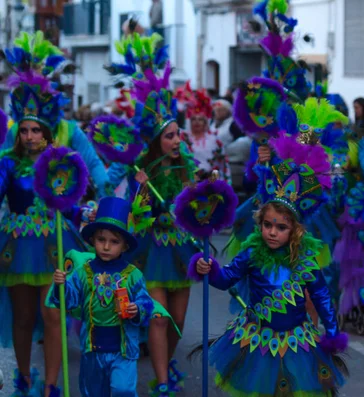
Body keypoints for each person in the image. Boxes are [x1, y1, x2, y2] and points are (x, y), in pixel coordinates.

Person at [189, 142, 349, 396]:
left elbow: (320, 296)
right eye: (267, 225)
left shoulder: (306, 260)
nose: (272, 232)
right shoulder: (252, 254)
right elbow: (225, 279)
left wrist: (331, 331)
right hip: (257, 340)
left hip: (296, 342)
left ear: (294, 230)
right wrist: (208, 268)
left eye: (281, 227)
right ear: (260, 223)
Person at [105, 33, 200, 396]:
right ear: (155, 142)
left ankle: (166, 367)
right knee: (158, 319)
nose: (177, 141)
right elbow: (133, 211)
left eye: (178, 134)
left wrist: (204, 197)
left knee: (177, 321)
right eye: (170, 137)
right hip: (151, 249)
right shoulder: (138, 171)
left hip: (180, 250)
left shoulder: (187, 168)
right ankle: (162, 382)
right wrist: (140, 188)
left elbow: (196, 211)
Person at [0, 32, 91, 397]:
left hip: (54, 242)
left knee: (54, 314)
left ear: (48, 132)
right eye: (24, 130)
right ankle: (24, 377)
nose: (29, 135)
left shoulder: (62, 163)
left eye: (36, 129)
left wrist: (81, 207)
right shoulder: (6, 164)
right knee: (23, 318)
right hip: (18, 245)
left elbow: (73, 200)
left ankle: (52, 385)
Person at [46, 197, 164, 397]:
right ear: (93, 240)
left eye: (114, 241)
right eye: (101, 240)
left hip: (123, 351)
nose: (107, 247)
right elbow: (70, 301)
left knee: (123, 389)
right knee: (93, 393)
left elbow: (145, 302)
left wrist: (137, 308)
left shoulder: (133, 274)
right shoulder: (83, 271)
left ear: (125, 246)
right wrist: (61, 285)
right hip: (92, 349)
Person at [176, 82, 232, 184]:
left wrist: (212, 180)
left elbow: (220, 165)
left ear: (205, 122)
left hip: (209, 184)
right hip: (187, 183)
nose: (197, 122)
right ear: (189, 121)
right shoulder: (182, 138)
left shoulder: (215, 140)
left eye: (200, 119)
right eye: (194, 119)